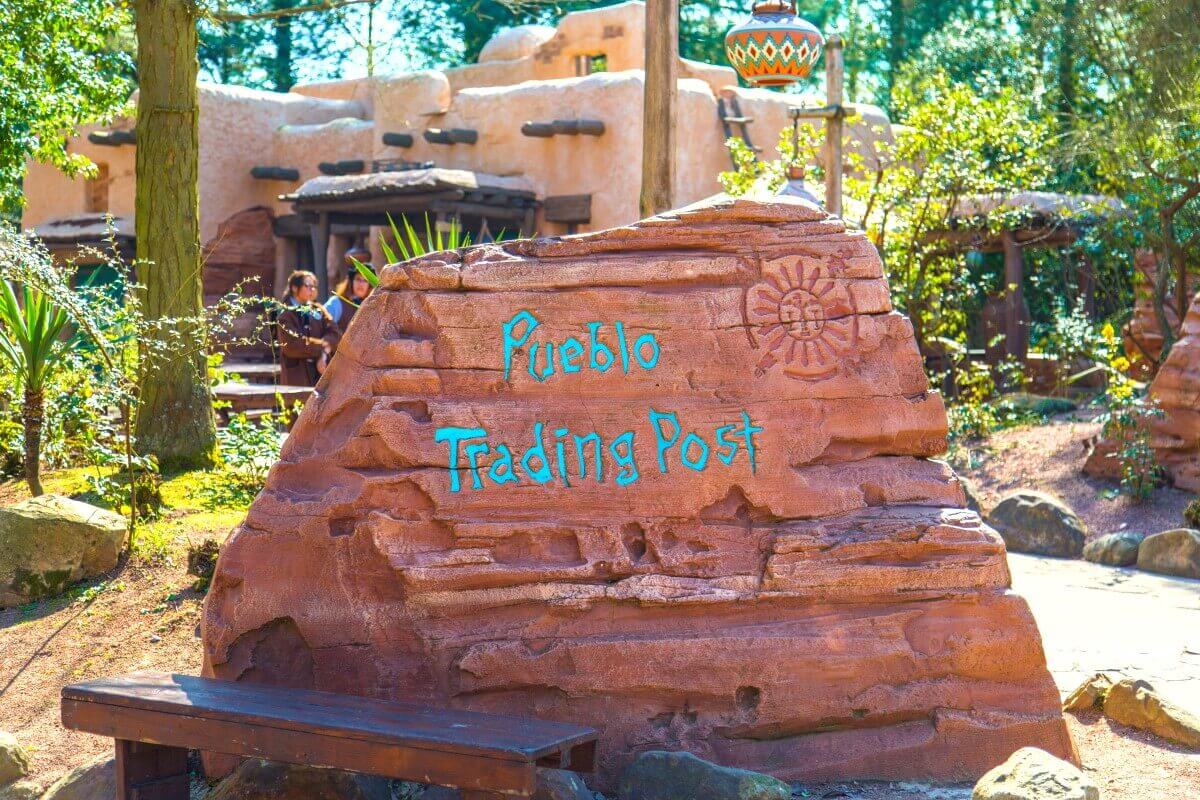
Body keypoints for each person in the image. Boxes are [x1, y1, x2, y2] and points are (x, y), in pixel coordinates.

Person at [274, 270, 340, 386]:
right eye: (308, 286)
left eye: (314, 286)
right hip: (296, 378)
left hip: (319, 376)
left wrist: (323, 354)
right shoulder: (285, 314)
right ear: (295, 288)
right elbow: (292, 345)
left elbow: (335, 333)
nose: (312, 289)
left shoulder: (318, 309)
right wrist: (323, 348)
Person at [325, 262, 373, 335]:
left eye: (365, 280)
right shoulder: (336, 303)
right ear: (350, 282)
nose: (361, 284)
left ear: (369, 286)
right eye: (358, 279)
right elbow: (323, 328)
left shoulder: (372, 308)